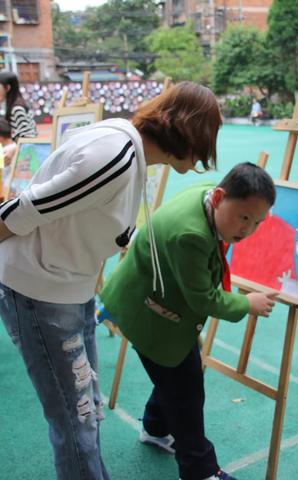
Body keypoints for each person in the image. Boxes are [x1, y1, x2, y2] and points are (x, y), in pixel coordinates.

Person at [0, 81, 222, 480]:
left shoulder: (127, 150)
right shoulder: (116, 156)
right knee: (76, 420)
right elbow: (23, 210)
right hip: (41, 291)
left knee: (85, 410)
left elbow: (104, 224)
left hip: (69, 287)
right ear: (188, 134)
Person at [100, 162, 278, 480]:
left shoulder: (206, 196)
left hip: (152, 299)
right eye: (244, 217)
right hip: (147, 312)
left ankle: (154, 428)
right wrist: (246, 303)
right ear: (221, 196)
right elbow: (204, 299)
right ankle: (199, 469)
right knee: (186, 393)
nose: (248, 230)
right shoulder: (191, 235)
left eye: (257, 222)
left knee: (175, 380)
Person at [0, 71, 37, 140]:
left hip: (23, 150)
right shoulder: (12, 106)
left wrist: (13, 147)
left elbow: (29, 135)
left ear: (7, 88)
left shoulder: (17, 109)